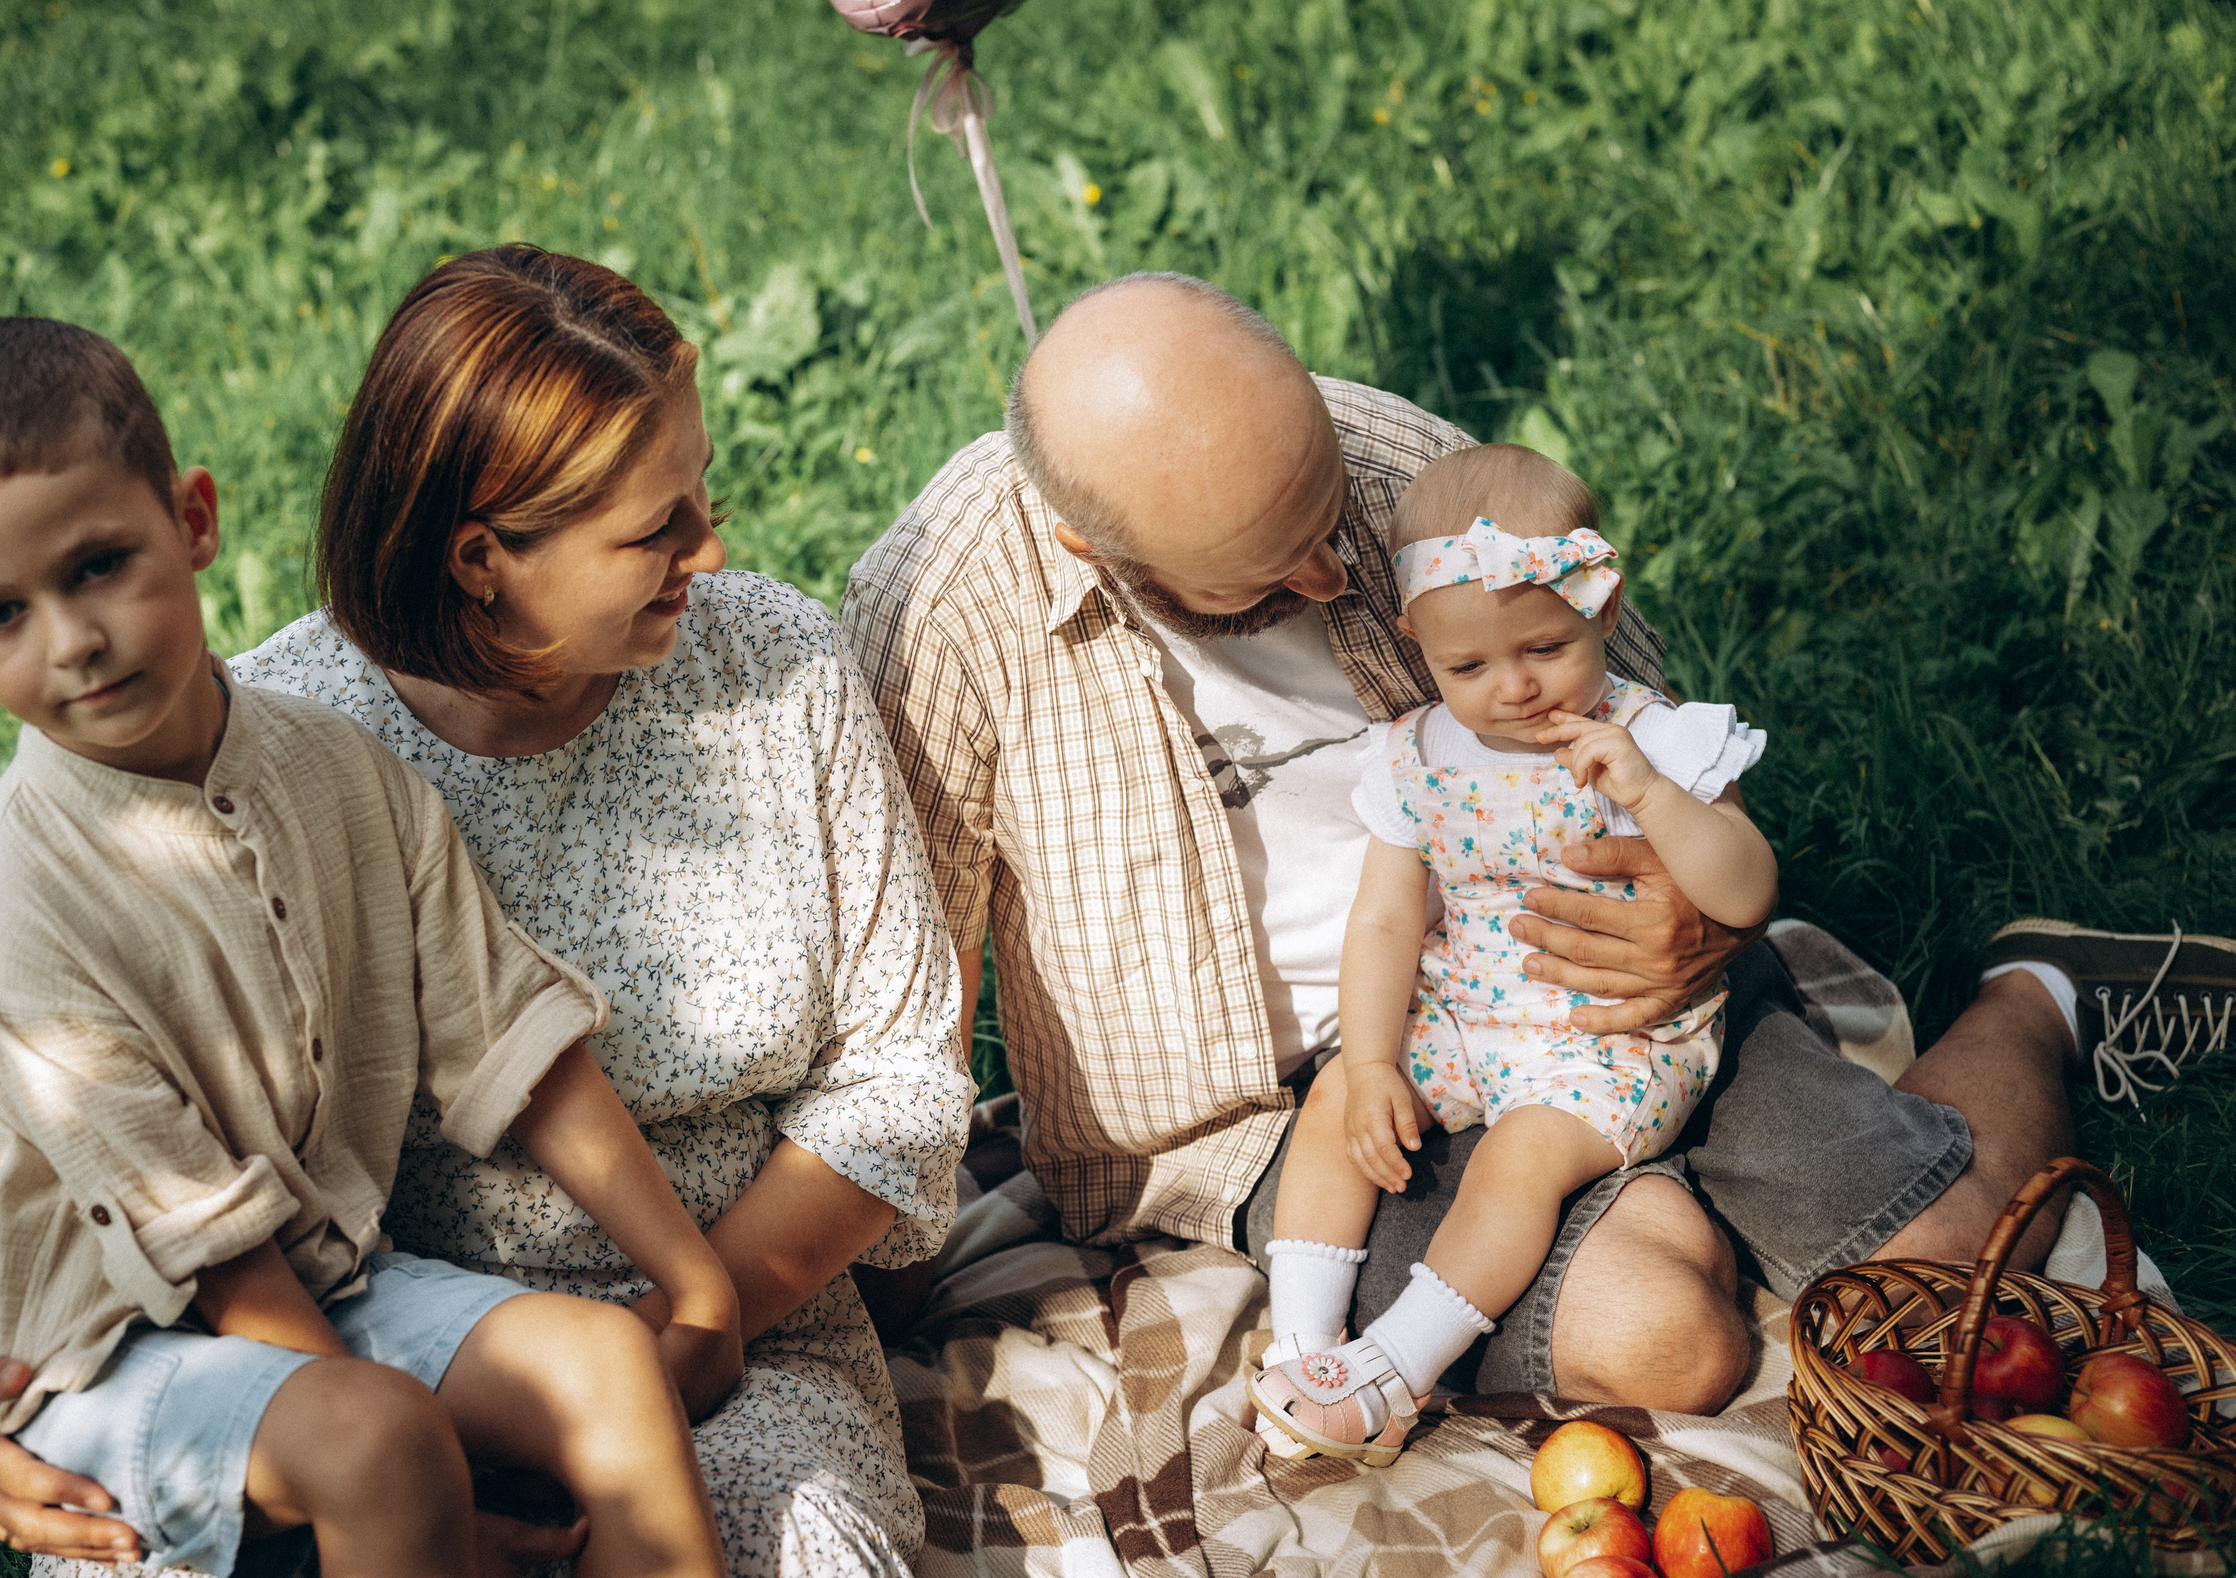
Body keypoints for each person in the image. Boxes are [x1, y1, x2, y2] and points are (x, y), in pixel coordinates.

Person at [0, 249, 971, 1578]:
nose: (710, 542)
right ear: (481, 556)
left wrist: (705, 1295)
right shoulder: (262, 731)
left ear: (184, 522)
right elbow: (14, 1136)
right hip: (267, 1342)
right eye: (655, 526)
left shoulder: (757, 668)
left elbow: (841, 1069)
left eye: (703, 490)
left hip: (646, 1339)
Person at [840, 270, 2210, 1416]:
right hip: (1309, 1098)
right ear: (1095, 545)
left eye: (1333, 519)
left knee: (1955, 1246)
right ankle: (1658, 1221)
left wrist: (1707, 925)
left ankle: (2034, 992)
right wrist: (883, 1287)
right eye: (1272, 571)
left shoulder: (1390, 467)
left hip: (1619, 994)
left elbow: (1649, 718)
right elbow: (906, 975)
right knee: (1670, 1335)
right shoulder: (952, 612)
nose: (1335, 570)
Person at [1249, 445, 1774, 1465]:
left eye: (1544, 647)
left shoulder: (1653, 737)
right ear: (1419, 643)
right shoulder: (1414, 754)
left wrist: (1651, 796)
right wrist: (1367, 1068)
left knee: (1517, 1156)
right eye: (1470, 666)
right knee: (1332, 1106)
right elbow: (1387, 922)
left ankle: (1395, 1369)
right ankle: (1305, 1349)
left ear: (1603, 611)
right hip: (1466, 1015)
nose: (1516, 688)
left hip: (1607, 1039)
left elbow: (1747, 891)